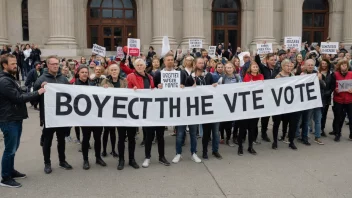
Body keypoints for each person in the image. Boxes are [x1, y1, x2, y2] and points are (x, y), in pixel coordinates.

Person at [0, 54, 45, 188]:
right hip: (9, 119)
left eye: (15, 63)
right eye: (12, 63)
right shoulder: (4, 81)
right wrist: (38, 93)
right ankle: (5, 177)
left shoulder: (10, 78)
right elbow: (18, 97)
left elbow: (20, 90)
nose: (16, 65)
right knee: (10, 149)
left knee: (14, 148)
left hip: (15, 117)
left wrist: (36, 88)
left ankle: (10, 170)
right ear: (4, 65)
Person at [34, 55, 73, 174]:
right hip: (48, 116)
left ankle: (62, 161)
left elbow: (70, 95)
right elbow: (34, 98)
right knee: (48, 141)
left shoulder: (63, 79)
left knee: (61, 140)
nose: (56, 66)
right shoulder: (41, 79)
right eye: (53, 64)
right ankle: (47, 163)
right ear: (48, 65)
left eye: (57, 64)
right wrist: (39, 89)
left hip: (61, 116)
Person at [141, 54, 175, 168]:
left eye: (172, 60)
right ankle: (147, 157)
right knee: (149, 136)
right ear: (164, 62)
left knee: (161, 136)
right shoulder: (157, 74)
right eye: (168, 60)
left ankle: (162, 157)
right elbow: (151, 87)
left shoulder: (178, 74)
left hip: (164, 109)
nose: (170, 62)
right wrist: (157, 87)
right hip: (153, 109)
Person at [185, 57, 222, 160]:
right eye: (200, 63)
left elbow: (216, 87)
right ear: (195, 64)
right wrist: (191, 89)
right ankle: (204, 151)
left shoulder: (209, 75)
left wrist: (215, 85)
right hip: (199, 108)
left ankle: (215, 150)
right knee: (206, 132)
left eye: (203, 63)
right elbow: (185, 93)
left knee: (215, 131)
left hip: (211, 107)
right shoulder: (190, 78)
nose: (202, 64)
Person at [100, 64, 127, 158]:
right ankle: (103, 150)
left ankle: (113, 150)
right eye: (112, 70)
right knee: (107, 131)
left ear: (119, 70)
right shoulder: (105, 81)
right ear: (109, 71)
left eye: (115, 69)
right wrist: (104, 89)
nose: (114, 71)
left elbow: (128, 93)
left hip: (120, 109)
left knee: (114, 132)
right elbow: (100, 94)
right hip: (108, 110)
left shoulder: (123, 81)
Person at [237, 61, 264, 156]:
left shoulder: (261, 76)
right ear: (250, 68)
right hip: (246, 105)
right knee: (243, 128)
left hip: (255, 105)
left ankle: (250, 146)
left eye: (257, 66)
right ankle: (240, 147)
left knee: (252, 128)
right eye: (254, 66)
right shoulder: (247, 76)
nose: (255, 68)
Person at [272, 59, 299, 150]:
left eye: (290, 66)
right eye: (287, 66)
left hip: (290, 104)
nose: (289, 67)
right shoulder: (278, 77)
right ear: (283, 66)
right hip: (279, 104)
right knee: (277, 123)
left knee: (291, 123)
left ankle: (291, 141)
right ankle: (275, 141)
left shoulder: (292, 75)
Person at [300, 59, 325, 145]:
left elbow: (324, 86)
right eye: (308, 65)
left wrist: (320, 79)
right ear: (305, 66)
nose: (310, 66)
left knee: (318, 120)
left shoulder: (317, 74)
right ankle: (305, 137)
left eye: (312, 65)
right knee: (307, 120)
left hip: (317, 101)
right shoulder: (302, 74)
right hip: (308, 102)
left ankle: (317, 137)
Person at [218, 62, 241, 147]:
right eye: (227, 68)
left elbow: (241, 87)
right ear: (225, 69)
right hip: (224, 103)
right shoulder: (222, 79)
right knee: (223, 122)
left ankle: (228, 138)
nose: (229, 69)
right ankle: (222, 137)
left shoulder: (238, 77)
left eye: (230, 67)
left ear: (233, 68)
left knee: (229, 122)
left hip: (234, 103)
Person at [330, 59, 352, 142]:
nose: (344, 66)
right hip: (338, 100)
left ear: (347, 66)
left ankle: (351, 134)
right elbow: (331, 86)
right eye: (342, 65)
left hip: (350, 100)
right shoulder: (335, 75)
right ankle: (337, 134)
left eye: (345, 65)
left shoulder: (351, 74)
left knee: (351, 118)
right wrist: (335, 89)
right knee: (338, 118)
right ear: (339, 66)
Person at [319, 59, 332, 137]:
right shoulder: (317, 73)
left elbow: (332, 85)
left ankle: (322, 129)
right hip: (318, 96)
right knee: (318, 114)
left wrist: (329, 92)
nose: (324, 65)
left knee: (324, 114)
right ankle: (317, 128)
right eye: (322, 63)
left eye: (325, 63)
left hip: (326, 97)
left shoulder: (330, 74)